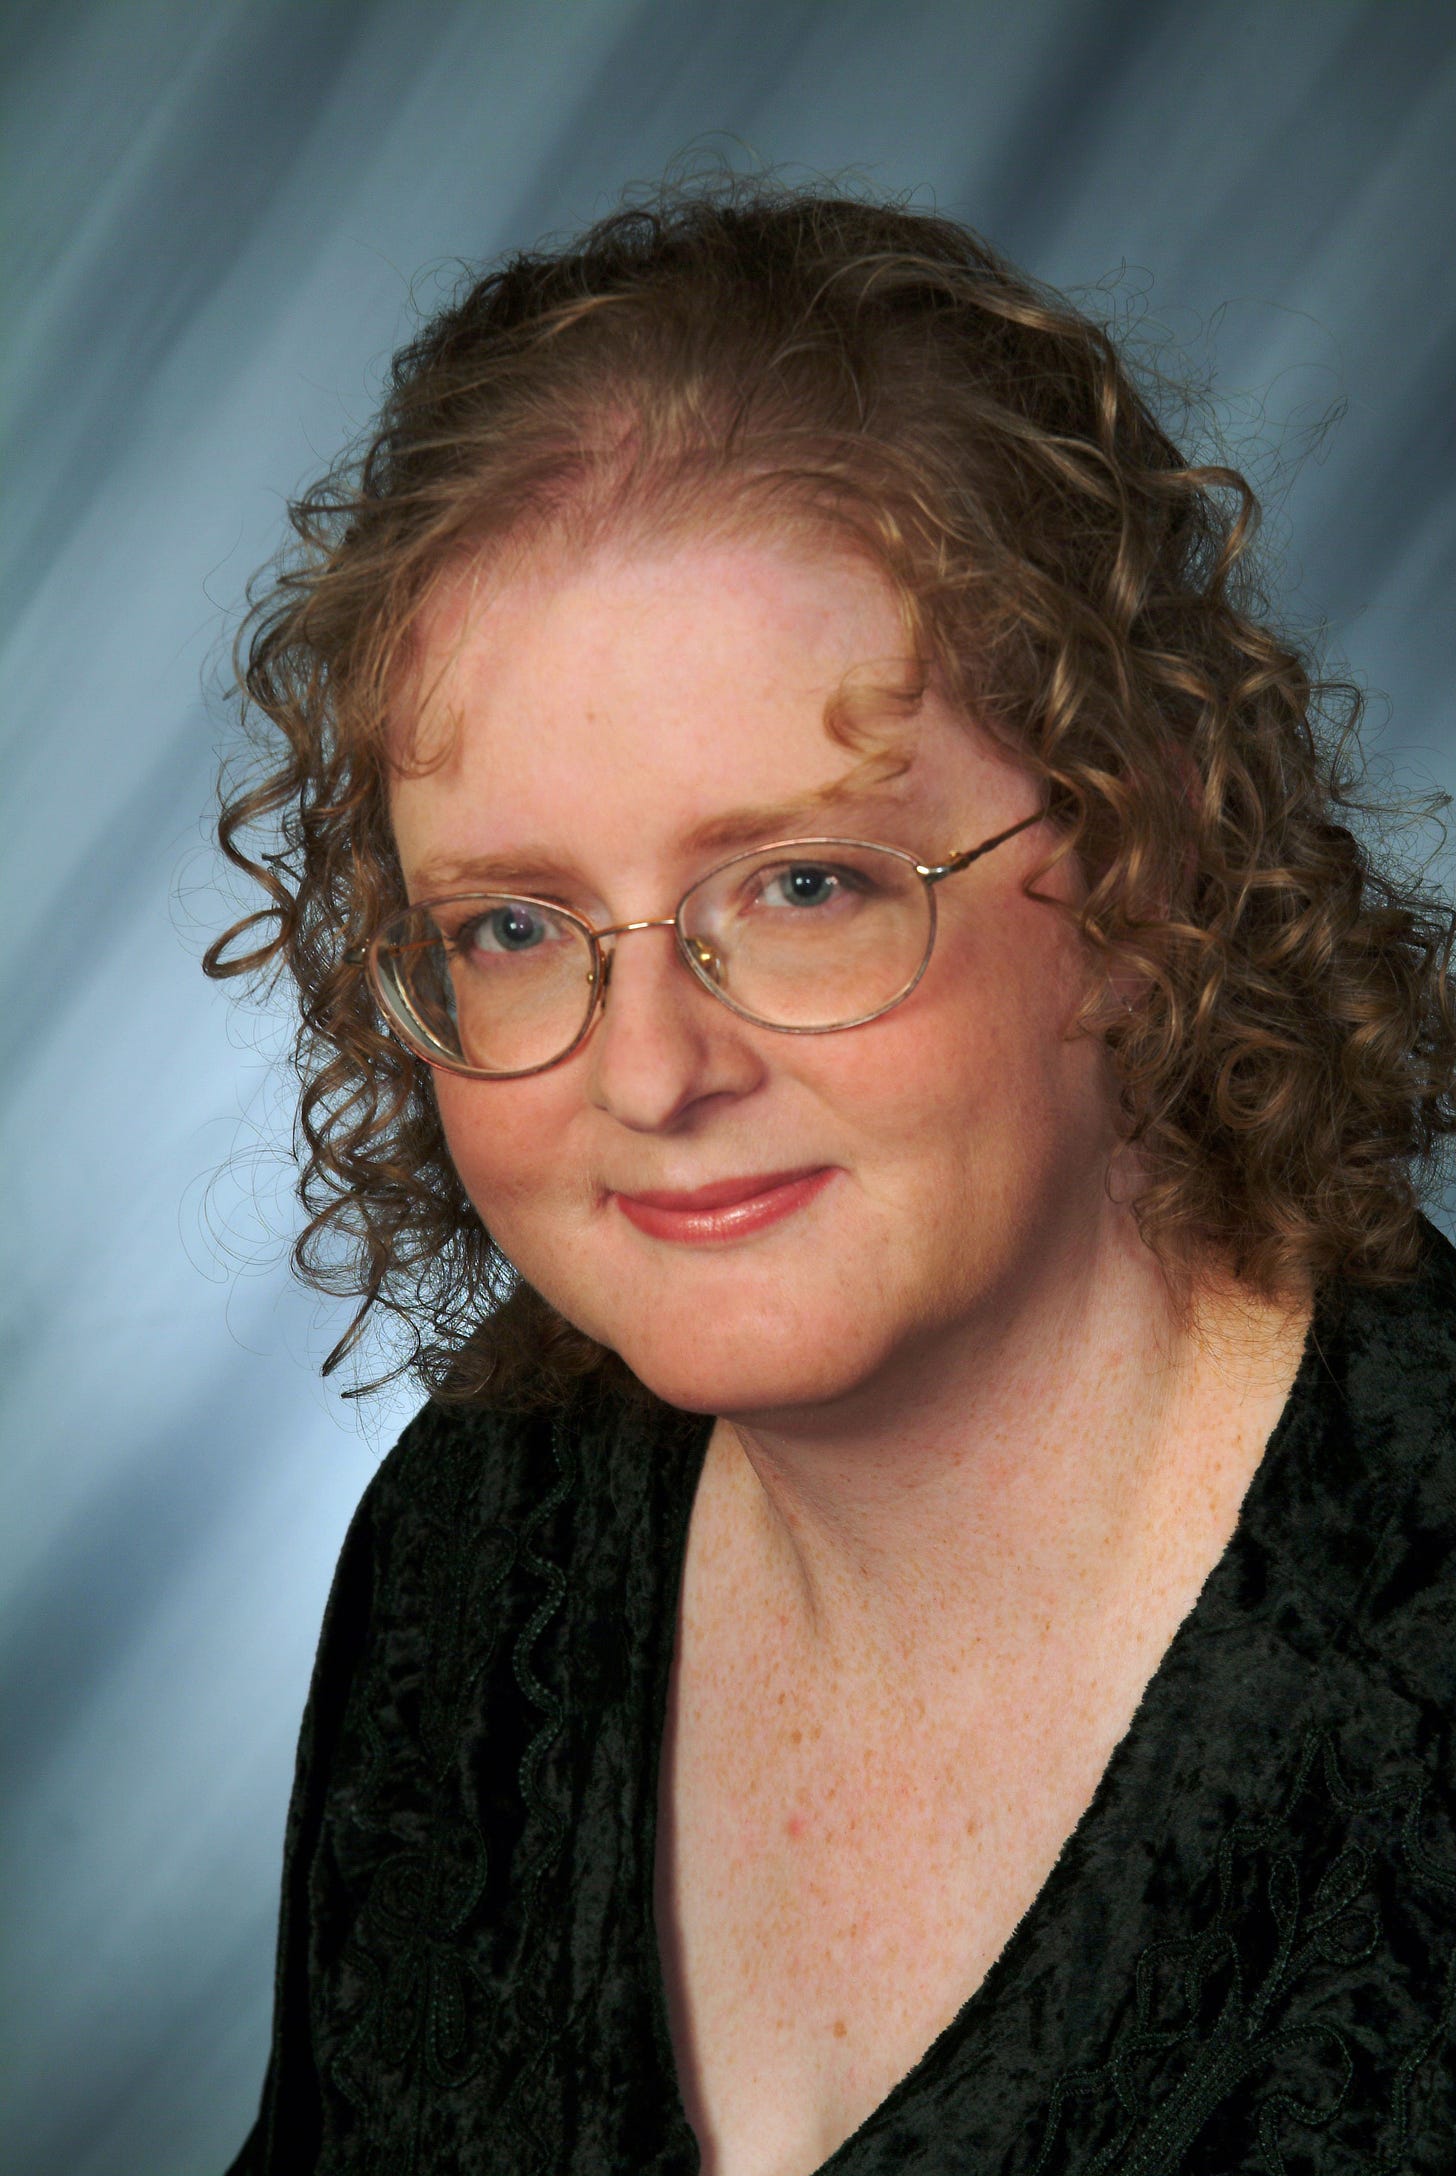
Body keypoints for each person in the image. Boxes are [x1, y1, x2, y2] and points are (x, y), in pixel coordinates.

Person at [209, 181, 1456, 2176]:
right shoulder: (484, 1539)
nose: (648, 1068)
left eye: (801, 885)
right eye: (515, 921)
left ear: (1139, 865)